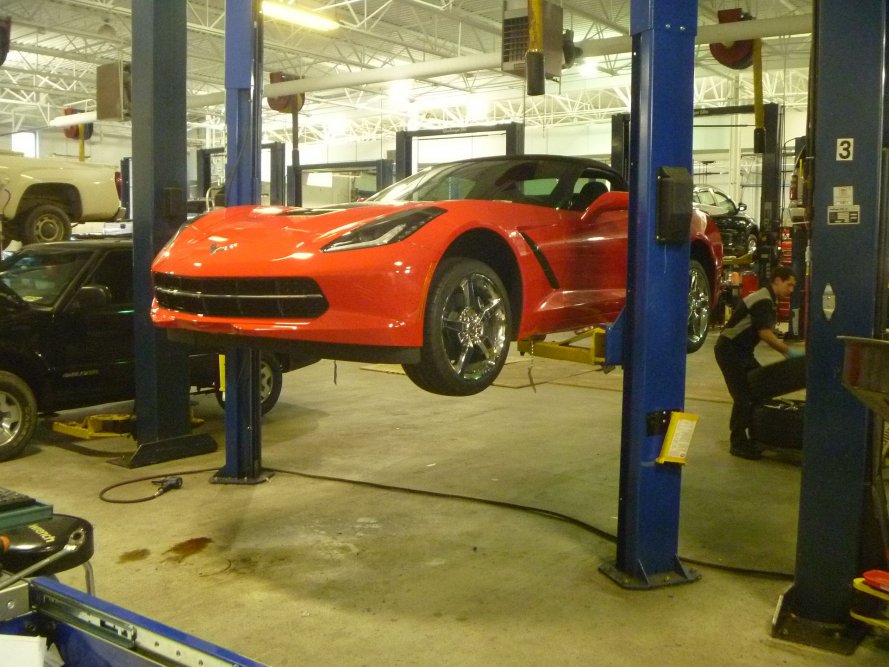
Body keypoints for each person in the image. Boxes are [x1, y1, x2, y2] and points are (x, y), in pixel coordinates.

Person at [714, 266, 801, 460]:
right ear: (777, 280)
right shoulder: (763, 299)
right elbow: (765, 334)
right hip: (730, 350)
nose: (791, 290)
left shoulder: (766, 297)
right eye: (789, 285)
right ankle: (738, 443)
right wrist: (788, 351)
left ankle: (757, 436)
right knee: (743, 397)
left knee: (759, 388)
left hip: (742, 352)